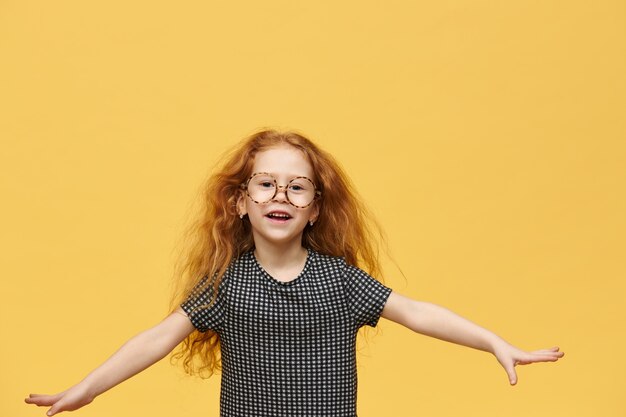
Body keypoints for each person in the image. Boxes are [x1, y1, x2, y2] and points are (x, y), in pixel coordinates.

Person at [25, 129, 564, 416]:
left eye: (297, 186)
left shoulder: (341, 282)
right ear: (240, 202)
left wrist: (494, 342)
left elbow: (417, 312)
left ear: (315, 208)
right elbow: (156, 339)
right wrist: (88, 388)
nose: (280, 195)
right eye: (265, 184)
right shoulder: (225, 285)